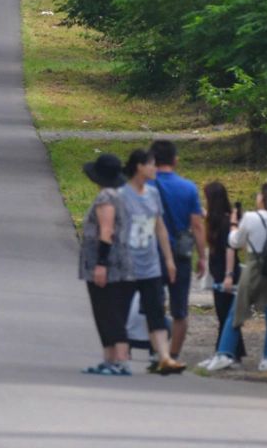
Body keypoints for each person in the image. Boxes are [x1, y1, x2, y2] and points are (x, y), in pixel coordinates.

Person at [205, 183, 267, 372]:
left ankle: (225, 353)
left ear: (263, 198)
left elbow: (234, 241)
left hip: (254, 267)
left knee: (237, 311)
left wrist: (234, 224)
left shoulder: (251, 218)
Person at [120, 149, 185, 375]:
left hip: (150, 264)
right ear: (139, 167)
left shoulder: (153, 194)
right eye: (151, 165)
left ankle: (164, 357)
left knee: (155, 310)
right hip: (126, 265)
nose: (154, 169)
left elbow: (160, 227)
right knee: (123, 310)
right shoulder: (122, 195)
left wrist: (168, 259)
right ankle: (121, 355)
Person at [148, 140, 206, 360]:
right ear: (175, 160)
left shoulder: (146, 186)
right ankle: (173, 355)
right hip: (181, 256)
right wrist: (202, 256)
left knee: (154, 306)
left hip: (152, 254)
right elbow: (197, 225)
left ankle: (157, 351)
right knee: (180, 310)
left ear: (152, 160)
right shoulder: (189, 188)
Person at [79, 154, 135, 375]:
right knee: (105, 309)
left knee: (108, 310)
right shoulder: (121, 196)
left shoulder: (106, 198)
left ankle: (120, 359)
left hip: (108, 263)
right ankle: (110, 359)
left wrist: (101, 264)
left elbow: (106, 231)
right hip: (119, 260)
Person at [198, 181, 246, 368]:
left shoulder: (226, 223)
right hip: (219, 271)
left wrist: (228, 275)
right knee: (225, 314)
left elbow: (230, 250)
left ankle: (224, 352)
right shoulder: (219, 220)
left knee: (225, 315)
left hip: (227, 272)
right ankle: (231, 352)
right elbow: (207, 215)